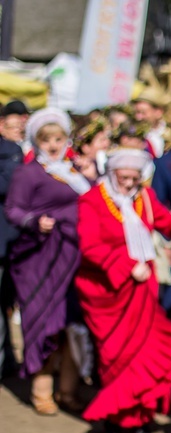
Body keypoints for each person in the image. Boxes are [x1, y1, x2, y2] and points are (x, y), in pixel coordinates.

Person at [75, 148, 171, 433]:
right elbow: (90, 246)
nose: (128, 184)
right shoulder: (91, 200)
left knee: (145, 352)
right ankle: (116, 421)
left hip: (144, 290)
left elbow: (169, 224)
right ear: (112, 174)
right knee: (115, 355)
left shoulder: (145, 198)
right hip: (109, 291)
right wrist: (127, 266)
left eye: (134, 178)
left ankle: (140, 417)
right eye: (123, 177)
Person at [4, 107, 93, 415]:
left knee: (71, 325)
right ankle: (42, 390)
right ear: (36, 141)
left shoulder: (75, 171)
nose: (53, 144)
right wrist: (33, 221)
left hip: (74, 256)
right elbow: (13, 209)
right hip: (40, 258)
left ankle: (67, 391)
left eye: (58, 138)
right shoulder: (29, 172)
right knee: (44, 322)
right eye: (46, 139)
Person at [0, 109, 24, 380]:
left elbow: (9, 187)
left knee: (5, 303)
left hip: (5, 243)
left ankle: (6, 363)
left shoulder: (11, 151)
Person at [133, 86, 170, 159]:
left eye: (143, 113)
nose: (138, 117)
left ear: (158, 112)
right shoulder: (133, 136)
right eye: (137, 112)